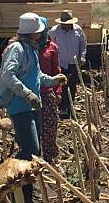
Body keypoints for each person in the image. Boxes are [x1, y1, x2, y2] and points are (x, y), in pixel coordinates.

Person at [0, 12, 67, 203]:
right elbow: (7, 75)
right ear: (33, 33)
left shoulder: (30, 49)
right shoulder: (17, 49)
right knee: (31, 148)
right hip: (20, 105)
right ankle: (16, 184)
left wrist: (53, 80)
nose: (42, 34)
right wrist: (27, 93)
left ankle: (26, 189)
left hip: (32, 105)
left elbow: (37, 74)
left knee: (33, 150)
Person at [50, 10, 87, 119]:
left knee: (72, 85)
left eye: (69, 24)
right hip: (61, 63)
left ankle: (70, 106)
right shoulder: (54, 31)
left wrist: (82, 56)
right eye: (65, 24)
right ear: (61, 23)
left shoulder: (78, 30)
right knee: (61, 86)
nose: (67, 26)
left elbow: (83, 42)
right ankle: (62, 108)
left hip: (74, 63)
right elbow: (50, 46)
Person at [37, 17, 63, 167]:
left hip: (47, 93)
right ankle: (34, 160)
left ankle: (50, 159)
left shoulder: (52, 47)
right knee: (33, 129)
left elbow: (56, 71)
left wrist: (58, 91)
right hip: (29, 94)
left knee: (50, 126)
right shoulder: (27, 47)